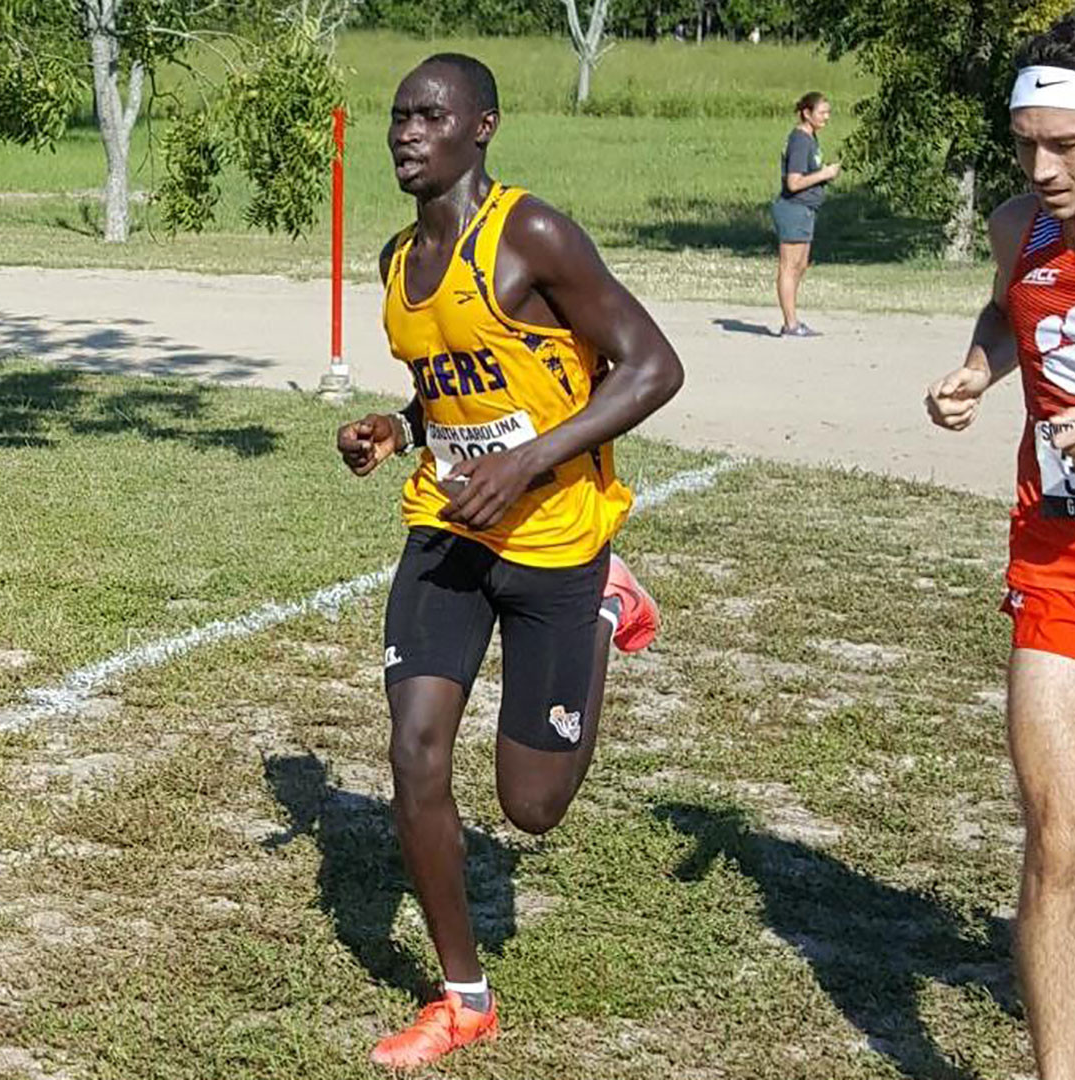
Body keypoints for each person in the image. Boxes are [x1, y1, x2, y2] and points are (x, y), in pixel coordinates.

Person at [334, 53, 681, 1069]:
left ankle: (609, 604)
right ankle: (463, 998)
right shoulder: (399, 258)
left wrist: (530, 461)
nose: (407, 133)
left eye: (430, 116)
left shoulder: (529, 235)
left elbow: (653, 366)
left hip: (556, 541)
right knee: (414, 752)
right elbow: (454, 388)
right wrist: (399, 429)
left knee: (533, 808)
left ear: (481, 126)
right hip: (447, 531)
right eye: (399, 116)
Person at [924, 9, 1075, 1080]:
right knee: (1059, 843)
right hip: (1067, 577)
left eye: (1065, 145)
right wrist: (979, 368)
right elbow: (1007, 311)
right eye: (1025, 145)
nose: (1042, 168)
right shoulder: (1021, 227)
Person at [772, 91, 839, 338]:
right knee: (789, 266)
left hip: (806, 209)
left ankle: (793, 319)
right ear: (807, 113)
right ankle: (790, 324)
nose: (826, 117)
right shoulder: (800, 140)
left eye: (828, 112)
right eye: (822, 112)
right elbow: (794, 182)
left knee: (800, 265)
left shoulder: (811, 138)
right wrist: (824, 174)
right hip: (793, 208)